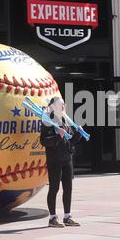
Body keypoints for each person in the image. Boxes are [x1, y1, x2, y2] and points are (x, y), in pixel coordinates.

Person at [40, 97, 82, 228]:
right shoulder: (48, 120)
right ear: (52, 106)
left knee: (68, 188)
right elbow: (44, 141)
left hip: (67, 158)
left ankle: (67, 216)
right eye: (60, 104)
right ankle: (52, 218)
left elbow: (71, 141)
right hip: (55, 160)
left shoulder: (66, 120)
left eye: (63, 104)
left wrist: (78, 134)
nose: (63, 106)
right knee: (54, 188)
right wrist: (58, 136)